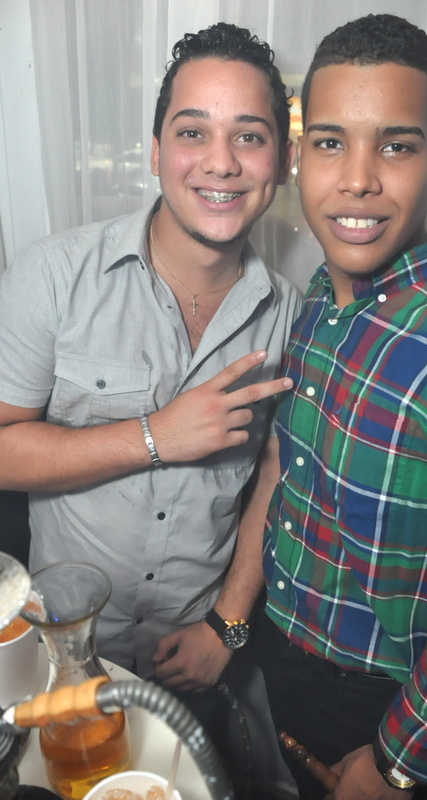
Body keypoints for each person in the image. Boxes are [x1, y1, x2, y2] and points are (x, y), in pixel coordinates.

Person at [0, 20, 301, 759]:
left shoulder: (294, 314)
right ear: (158, 150)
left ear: (283, 160)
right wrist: (154, 436)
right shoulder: (52, 276)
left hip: (195, 664)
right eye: (193, 132)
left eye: (249, 136)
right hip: (62, 655)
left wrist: (228, 625)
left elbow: (275, 472)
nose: (220, 162)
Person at [257, 13, 427, 800]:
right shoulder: (317, 300)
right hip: (283, 658)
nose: (358, 179)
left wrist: (397, 761)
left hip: (391, 705)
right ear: (299, 158)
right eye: (330, 142)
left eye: (396, 147)